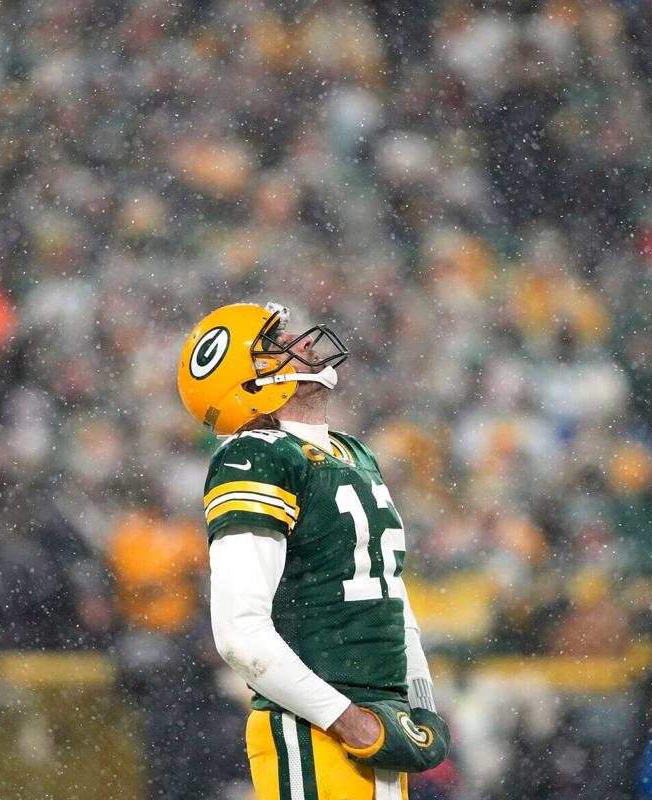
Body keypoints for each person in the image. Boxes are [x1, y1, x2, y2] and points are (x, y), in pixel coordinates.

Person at [177, 302, 450, 799]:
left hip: (379, 726)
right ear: (245, 381)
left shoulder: (353, 453)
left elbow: (391, 594)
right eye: (276, 345)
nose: (302, 343)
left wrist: (419, 704)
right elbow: (239, 632)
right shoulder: (255, 455)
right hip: (314, 729)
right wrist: (349, 722)